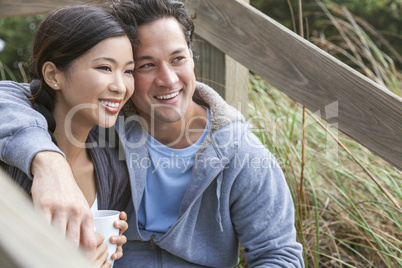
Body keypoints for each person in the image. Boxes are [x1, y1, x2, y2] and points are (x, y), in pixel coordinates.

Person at [0, 0, 304, 267]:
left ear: (192, 56)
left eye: (177, 59)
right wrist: (49, 163)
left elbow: (279, 256)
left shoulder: (243, 155)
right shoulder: (107, 125)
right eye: (146, 65)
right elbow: (14, 96)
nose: (168, 79)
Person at [0, 4, 136, 267]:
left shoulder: (113, 172)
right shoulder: (8, 158)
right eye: (105, 68)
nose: (120, 86)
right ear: (53, 75)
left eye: (128, 70)